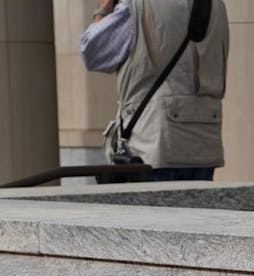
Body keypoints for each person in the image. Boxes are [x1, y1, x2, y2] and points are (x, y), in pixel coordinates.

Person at [80, 0, 229, 181]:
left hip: (154, 141)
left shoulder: (138, 6)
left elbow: (92, 53)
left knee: (152, 208)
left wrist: (102, 10)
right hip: (203, 140)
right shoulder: (216, 5)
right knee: (197, 208)